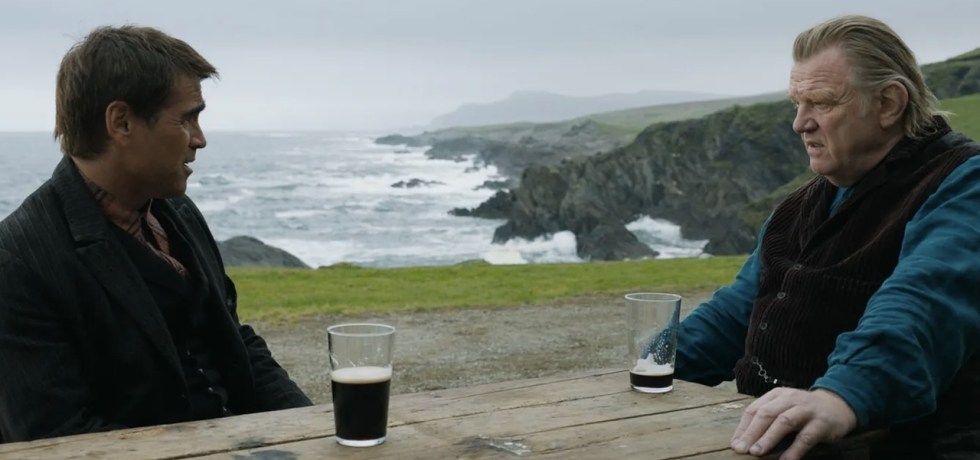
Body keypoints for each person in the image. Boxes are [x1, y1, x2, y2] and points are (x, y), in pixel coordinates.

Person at [674, 15, 980, 460]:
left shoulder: (964, 184)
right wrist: (654, 362)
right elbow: (736, 312)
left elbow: (926, 301)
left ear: (889, 103)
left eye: (820, 102)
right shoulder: (801, 205)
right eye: (797, 103)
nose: (800, 123)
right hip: (783, 444)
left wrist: (840, 397)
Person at [0, 26, 312, 443]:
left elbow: (234, 341)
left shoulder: (178, 211)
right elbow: (58, 439)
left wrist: (313, 430)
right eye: (186, 118)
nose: (200, 139)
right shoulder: (17, 261)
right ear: (121, 122)